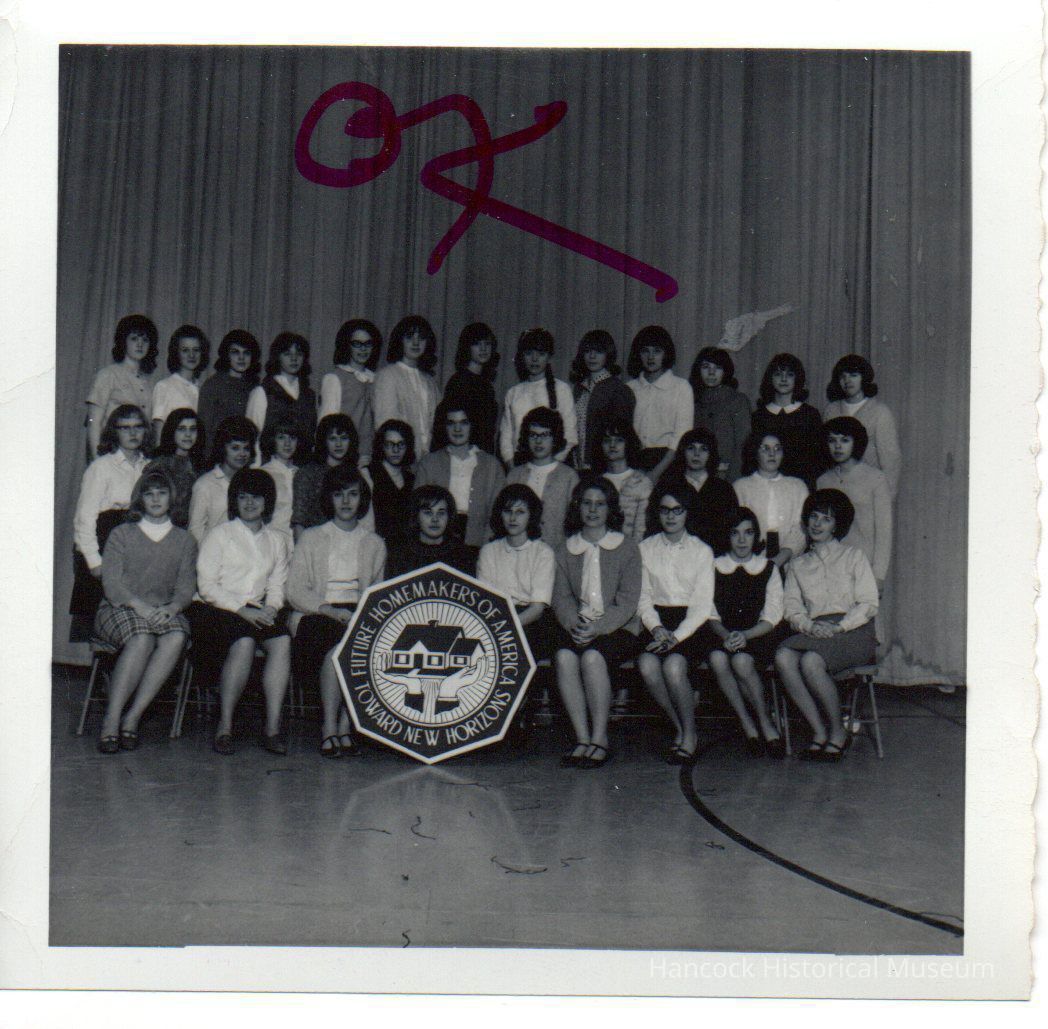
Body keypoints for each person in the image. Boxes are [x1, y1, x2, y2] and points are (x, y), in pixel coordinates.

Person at [92, 466, 197, 753]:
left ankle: (132, 718)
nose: (155, 499)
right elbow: (112, 584)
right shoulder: (122, 534)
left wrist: (173, 608)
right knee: (142, 638)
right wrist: (140, 606)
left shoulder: (185, 540)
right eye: (149, 494)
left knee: (176, 636)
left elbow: (186, 586)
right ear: (140, 499)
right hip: (120, 607)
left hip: (162, 609)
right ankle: (111, 720)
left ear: (171, 498)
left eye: (161, 493)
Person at [190, 468, 292, 756]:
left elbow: (277, 585)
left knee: (282, 640)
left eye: (256, 497)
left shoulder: (276, 540)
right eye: (243, 497)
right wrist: (242, 610)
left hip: (256, 610)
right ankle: (225, 726)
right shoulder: (220, 534)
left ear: (267, 501)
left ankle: (272, 729)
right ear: (234, 500)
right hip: (214, 608)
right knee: (244, 641)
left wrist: (271, 608)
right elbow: (206, 586)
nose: (249, 503)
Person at [288, 466, 386, 758]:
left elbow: (376, 594)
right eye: (339, 494)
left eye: (353, 494)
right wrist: (329, 610)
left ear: (362, 499)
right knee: (339, 650)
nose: (345, 501)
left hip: (358, 612)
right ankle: (330, 726)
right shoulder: (312, 537)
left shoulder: (374, 543)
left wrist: (359, 615)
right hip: (317, 611)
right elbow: (294, 590)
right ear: (329, 499)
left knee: (360, 645)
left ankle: (345, 725)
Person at [774, 489, 878, 762]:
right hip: (815, 630)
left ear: (837, 525)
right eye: (814, 517)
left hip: (853, 630)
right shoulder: (797, 565)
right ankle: (819, 732)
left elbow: (868, 603)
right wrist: (809, 626)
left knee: (811, 661)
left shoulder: (854, 556)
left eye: (826, 519)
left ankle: (838, 732)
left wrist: (839, 627)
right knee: (783, 657)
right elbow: (792, 608)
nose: (817, 524)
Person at [551, 475, 642, 770]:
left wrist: (598, 628)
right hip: (579, 626)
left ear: (610, 509)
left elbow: (628, 601)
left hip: (618, 627)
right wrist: (574, 624)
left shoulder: (627, 547)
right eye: (586, 503)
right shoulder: (566, 549)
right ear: (577, 507)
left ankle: (600, 738)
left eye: (600, 504)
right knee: (564, 657)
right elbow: (561, 597)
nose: (592, 510)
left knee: (592, 657)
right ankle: (582, 738)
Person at [698, 506, 788, 758]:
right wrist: (726, 635)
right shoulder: (714, 566)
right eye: (735, 533)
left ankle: (765, 721)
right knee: (717, 658)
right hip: (721, 633)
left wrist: (745, 636)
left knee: (741, 661)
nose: (741, 540)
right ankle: (747, 723)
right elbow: (709, 612)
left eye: (748, 533)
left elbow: (772, 617)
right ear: (727, 536)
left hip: (757, 634)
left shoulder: (767, 567)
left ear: (756, 536)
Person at [635, 484, 715, 763]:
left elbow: (702, 605)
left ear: (687, 513)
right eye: (665, 510)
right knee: (647, 665)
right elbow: (643, 597)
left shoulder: (702, 551)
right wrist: (657, 628)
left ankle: (690, 734)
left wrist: (676, 637)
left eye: (677, 510)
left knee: (673, 666)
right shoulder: (645, 548)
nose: (670, 516)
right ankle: (680, 727)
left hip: (691, 625)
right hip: (656, 622)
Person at [71, 404, 151, 638]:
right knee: (101, 627)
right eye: (125, 428)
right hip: (105, 545)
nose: (133, 433)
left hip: (138, 549)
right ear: (114, 432)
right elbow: (84, 519)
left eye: (138, 426)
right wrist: (94, 562)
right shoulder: (102, 467)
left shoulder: (150, 466)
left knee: (135, 623)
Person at [414, 399, 506, 556]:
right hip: (436, 544)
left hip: (479, 544)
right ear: (444, 426)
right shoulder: (428, 463)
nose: (457, 429)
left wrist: (486, 548)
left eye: (464, 422)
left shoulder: (492, 465)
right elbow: (418, 509)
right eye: (451, 423)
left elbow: (498, 513)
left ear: (472, 425)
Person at [477, 484, 556, 662]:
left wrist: (506, 629)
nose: (513, 518)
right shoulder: (489, 551)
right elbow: (486, 601)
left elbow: (537, 609)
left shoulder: (543, 552)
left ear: (531, 515)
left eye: (520, 512)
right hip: (496, 617)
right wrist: (498, 627)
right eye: (508, 511)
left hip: (531, 621)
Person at [817, 417, 893, 586]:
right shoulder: (823, 481)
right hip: (830, 567)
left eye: (844, 440)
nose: (837, 446)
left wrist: (878, 575)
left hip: (864, 566)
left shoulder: (876, 479)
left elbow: (884, 532)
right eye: (832, 440)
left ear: (856, 442)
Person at [823, 354, 902, 498]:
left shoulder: (880, 412)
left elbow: (890, 460)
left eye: (853, 375)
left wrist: (887, 496)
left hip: (868, 490)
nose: (847, 381)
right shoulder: (831, 410)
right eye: (843, 376)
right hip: (837, 487)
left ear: (864, 378)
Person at [499, 328, 577, 466]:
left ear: (549, 357)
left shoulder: (562, 389)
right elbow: (506, 437)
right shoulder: (513, 393)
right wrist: (513, 468)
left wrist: (550, 467)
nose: (534, 359)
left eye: (541, 354)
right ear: (522, 356)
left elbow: (570, 436)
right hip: (520, 465)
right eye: (529, 353)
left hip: (554, 464)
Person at [625, 325, 693, 483]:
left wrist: (655, 474)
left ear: (666, 354)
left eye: (657, 351)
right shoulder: (629, 388)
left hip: (669, 462)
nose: (650, 357)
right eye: (645, 351)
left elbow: (681, 437)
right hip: (634, 464)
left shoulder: (681, 387)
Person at [732, 431, 809, 570]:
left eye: (777, 449)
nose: (772, 454)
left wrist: (781, 558)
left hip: (791, 564)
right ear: (755, 452)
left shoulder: (798, 486)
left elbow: (801, 527)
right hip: (750, 564)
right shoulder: (740, 487)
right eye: (765, 448)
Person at [85, 315, 159, 458]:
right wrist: (98, 462)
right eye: (134, 339)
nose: (140, 344)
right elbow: (93, 423)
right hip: (111, 455)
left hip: (139, 458)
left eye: (145, 340)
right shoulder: (108, 375)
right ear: (123, 341)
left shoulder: (150, 383)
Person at [506, 407, 578, 550]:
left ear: (555, 438)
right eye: (533, 435)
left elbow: (575, 525)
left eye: (545, 435)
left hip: (557, 553)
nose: (538, 441)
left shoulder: (569, 477)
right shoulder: (514, 475)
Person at [292, 414, 375, 540]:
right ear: (324, 441)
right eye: (332, 438)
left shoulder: (357, 473)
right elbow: (299, 522)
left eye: (344, 438)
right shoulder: (308, 473)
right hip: (316, 543)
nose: (339, 444)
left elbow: (364, 520)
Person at [654, 427, 736, 553]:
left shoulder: (724, 489)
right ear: (683, 451)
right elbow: (656, 526)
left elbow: (731, 531)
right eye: (691, 448)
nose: (696, 454)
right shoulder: (668, 486)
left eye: (703, 449)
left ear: (711, 454)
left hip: (715, 556)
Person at [750, 353, 824, 489]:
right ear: (770, 379)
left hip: (802, 485)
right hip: (766, 485)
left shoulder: (810, 414)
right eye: (778, 374)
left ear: (797, 379)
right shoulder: (759, 416)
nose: (783, 379)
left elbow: (818, 458)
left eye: (790, 375)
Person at [373, 315, 440, 458]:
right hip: (399, 457)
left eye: (421, 338)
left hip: (428, 459)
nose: (416, 342)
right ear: (400, 340)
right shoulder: (387, 375)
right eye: (409, 337)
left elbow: (437, 424)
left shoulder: (430, 381)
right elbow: (385, 424)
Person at [569, 329, 634, 472]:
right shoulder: (578, 389)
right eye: (587, 351)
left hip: (604, 466)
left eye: (598, 351)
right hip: (577, 464)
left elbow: (621, 436)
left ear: (608, 355)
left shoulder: (618, 389)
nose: (592, 356)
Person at [318, 318, 381, 466]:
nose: (363, 349)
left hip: (370, 458)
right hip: (342, 458)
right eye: (357, 344)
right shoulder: (334, 378)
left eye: (368, 344)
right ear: (347, 345)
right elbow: (326, 425)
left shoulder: (378, 380)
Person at [187, 416, 257, 543]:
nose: (242, 454)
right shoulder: (205, 484)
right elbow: (194, 532)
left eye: (246, 448)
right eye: (235, 448)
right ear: (222, 448)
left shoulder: (253, 482)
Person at [689, 345, 751, 482]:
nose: (711, 373)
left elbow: (743, 444)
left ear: (725, 371)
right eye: (706, 367)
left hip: (729, 475)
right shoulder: (693, 401)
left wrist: (732, 480)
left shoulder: (737, 400)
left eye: (717, 367)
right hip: (698, 475)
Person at [246, 332, 317, 449]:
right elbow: (252, 437)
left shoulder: (309, 395)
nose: (294, 358)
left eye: (299, 354)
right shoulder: (262, 392)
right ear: (277, 357)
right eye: (287, 354)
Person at [386, 484, 475, 577]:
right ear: (416, 516)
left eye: (441, 513)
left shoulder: (463, 555)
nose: (435, 519)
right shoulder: (400, 555)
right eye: (428, 513)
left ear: (449, 516)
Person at [442, 322, 500, 455]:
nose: (483, 348)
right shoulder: (458, 382)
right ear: (467, 348)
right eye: (477, 344)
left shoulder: (487, 385)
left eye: (487, 344)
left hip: (483, 456)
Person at [591, 417, 651, 542]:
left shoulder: (642, 483)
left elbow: (641, 530)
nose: (612, 445)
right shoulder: (594, 483)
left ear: (628, 443)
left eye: (619, 440)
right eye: (607, 440)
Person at [197, 329, 261, 446]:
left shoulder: (255, 387)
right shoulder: (213, 385)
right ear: (226, 355)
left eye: (246, 353)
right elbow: (204, 430)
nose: (241, 358)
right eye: (235, 352)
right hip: (218, 452)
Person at [150, 324, 210, 440]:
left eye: (196, 350)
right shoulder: (164, 386)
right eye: (185, 350)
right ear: (176, 353)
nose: (191, 355)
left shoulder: (203, 388)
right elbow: (158, 430)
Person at [151, 407, 206, 528]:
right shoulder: (160, 465)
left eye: (193, 429)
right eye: (181, 429)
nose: (188, 434)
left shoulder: (200, 465)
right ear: (172, 431)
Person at [368, 419, 416, 546]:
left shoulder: (411, 479)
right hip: (377, 545)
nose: (396, 450)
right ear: (381, 446)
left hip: (405, 546)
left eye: (401, 444)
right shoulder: (369, 474)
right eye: (390, 444)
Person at [259, 418, 303, 540]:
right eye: (281, 437)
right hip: (271, 542)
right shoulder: (263, 474)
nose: (287, 443)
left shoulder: (303, 474)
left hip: (300, 543)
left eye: (292, 438)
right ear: (272, 440)